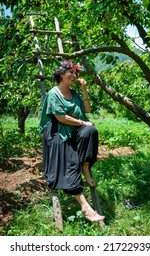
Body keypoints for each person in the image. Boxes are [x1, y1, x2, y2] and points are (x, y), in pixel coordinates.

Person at [40, 60, 105, 223]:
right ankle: (85, 206)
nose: (75, 76)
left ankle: (85, 168)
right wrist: (83, 122)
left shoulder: (74, 93)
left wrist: (84, 90)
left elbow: (87, 110)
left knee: (91, 131)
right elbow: (61, 118)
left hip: (72, 129)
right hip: (56, 131)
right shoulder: (53, 94)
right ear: (61, 74)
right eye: (71, 72)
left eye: (76, 73)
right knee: (70, 158)